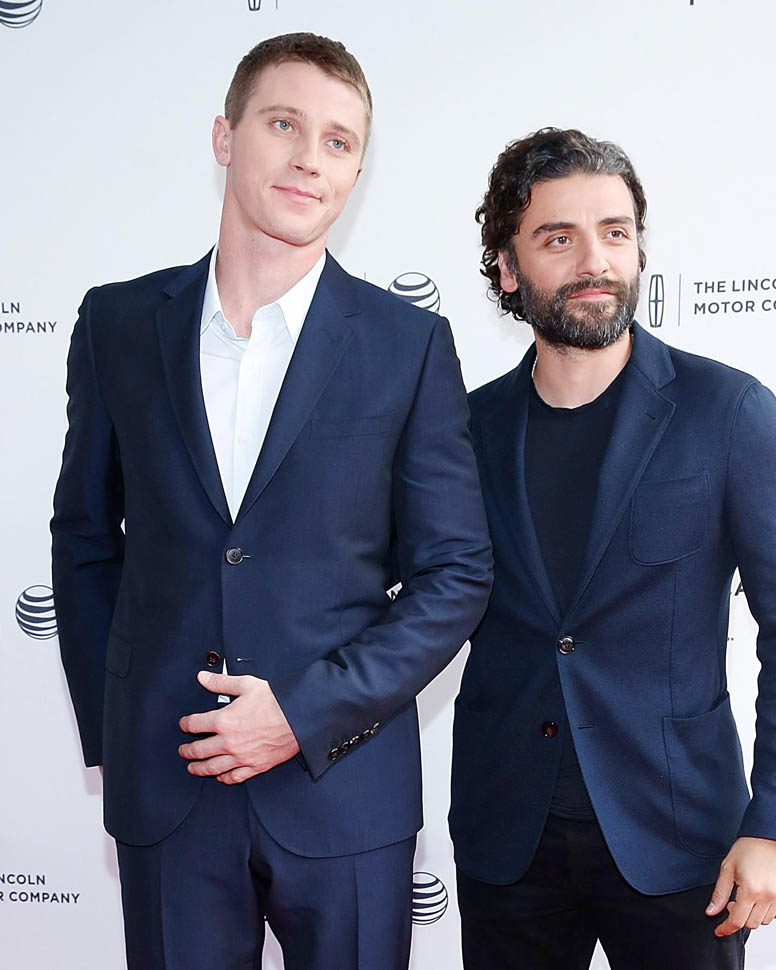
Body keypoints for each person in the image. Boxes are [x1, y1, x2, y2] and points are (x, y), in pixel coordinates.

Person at [51, 32, 492, 970]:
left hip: (344, 787)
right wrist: (115, 730)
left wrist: (304, 711)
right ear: (225, 136)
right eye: (284, 125)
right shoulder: (117, 324)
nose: (308, 159)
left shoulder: (407, 345)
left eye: (337, 141)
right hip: (167, 784)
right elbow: (85, 540)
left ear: (358, 172)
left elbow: (455, 574)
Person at [449, 128, 776, 970]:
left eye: (614, 232)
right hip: (506, 837)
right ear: (508, 268)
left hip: (682, 839)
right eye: (558, 238)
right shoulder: (466, 430)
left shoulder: (726, 411)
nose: (595, 260)